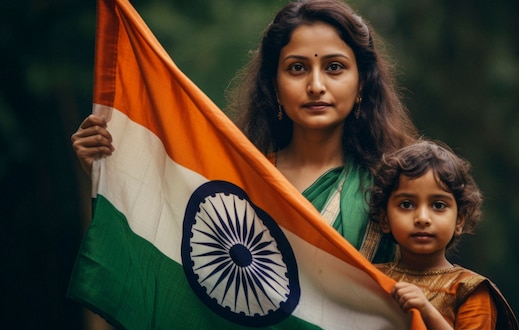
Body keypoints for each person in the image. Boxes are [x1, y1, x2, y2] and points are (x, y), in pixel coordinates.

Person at [70, 0, 419, 263]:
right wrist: (106, 172)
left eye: (334, 68)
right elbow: (171, 245)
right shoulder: (236, 182)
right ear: (274, 85)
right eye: (297, 68)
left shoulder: (390, 191)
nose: (316, 85)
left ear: (361, 84)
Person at [368, 139, 519, 330]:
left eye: (438, 205)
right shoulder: (370, 280)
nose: (422, 218)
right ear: (384, 218)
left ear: (459, 220)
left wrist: (427, 312)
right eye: (406, 204)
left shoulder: (469, 289)